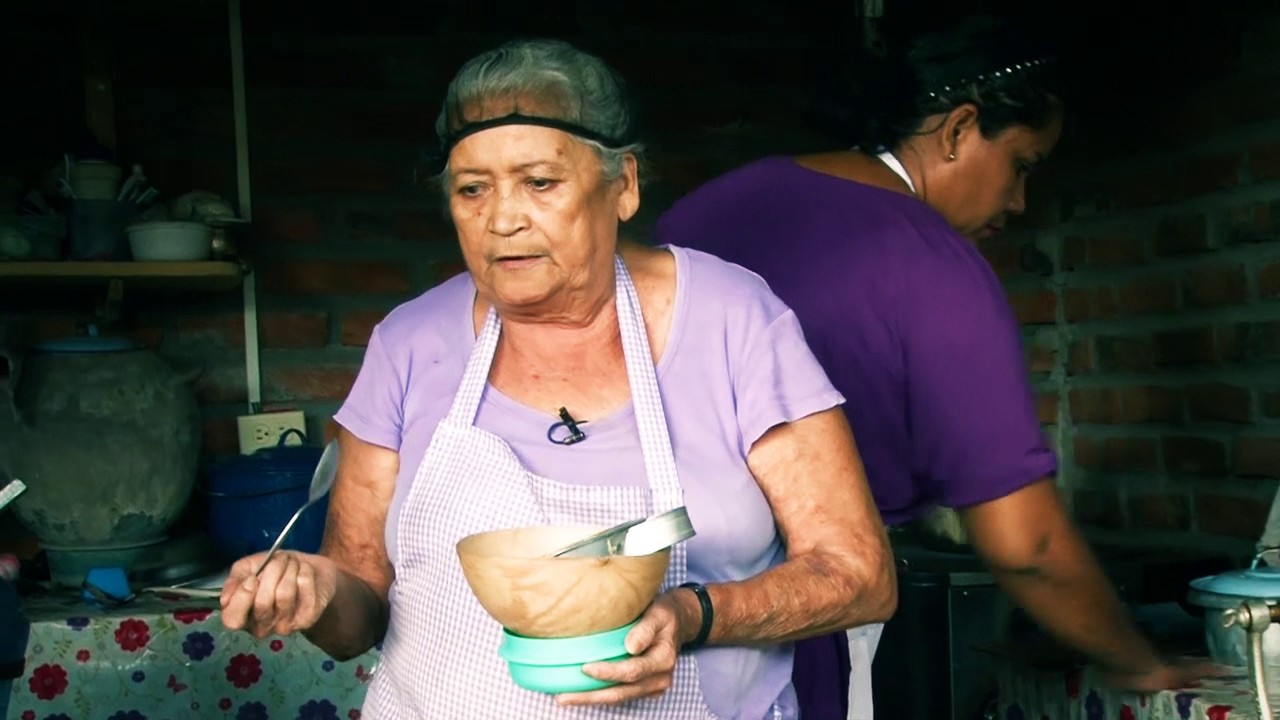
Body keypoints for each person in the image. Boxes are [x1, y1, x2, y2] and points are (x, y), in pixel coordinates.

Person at [219, 38, 896, 719]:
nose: (502, 219)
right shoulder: (409, 343)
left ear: (623, 185)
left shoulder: (731, 321)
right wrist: (315, 591)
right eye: (472, 189)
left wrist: (692, 615)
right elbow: (359, 604)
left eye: (539, 183)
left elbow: (859, 575)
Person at [653, 15, 1204, 720]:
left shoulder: (717, 204)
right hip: (785, 631)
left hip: (635, 610)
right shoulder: (932, 262)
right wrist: (1144, 665)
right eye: (1022, 165)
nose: (1018, 201)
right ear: (957, 129)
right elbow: (1027, 543)